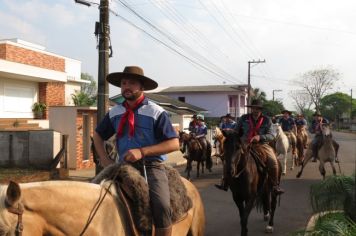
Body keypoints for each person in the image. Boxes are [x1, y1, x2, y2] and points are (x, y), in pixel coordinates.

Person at [93, 66, 179, 236]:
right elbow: (97, 135)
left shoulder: (156, 112)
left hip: (151, 165)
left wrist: (142, 151)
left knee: (161, 205)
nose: (126, 86)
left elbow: (174, 143)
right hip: (122, 166)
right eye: (123, 83)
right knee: (91, 194)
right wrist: (104, 159)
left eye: (132, 83)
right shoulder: (115, 112)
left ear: (142, 87)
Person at [215, 99, 284, 195]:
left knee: (273, 161)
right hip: (245, 143)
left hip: (261, 144)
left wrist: (260, 137)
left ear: (260, 110)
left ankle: (275, 185)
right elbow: (236, 131)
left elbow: (272, 135)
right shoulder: (244, 118)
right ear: (251, 109)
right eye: (253, 108)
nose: (255, 110)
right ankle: (225, 181)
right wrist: (229, 132)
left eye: (257, 109)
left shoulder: (267, 120)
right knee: (229, 158)